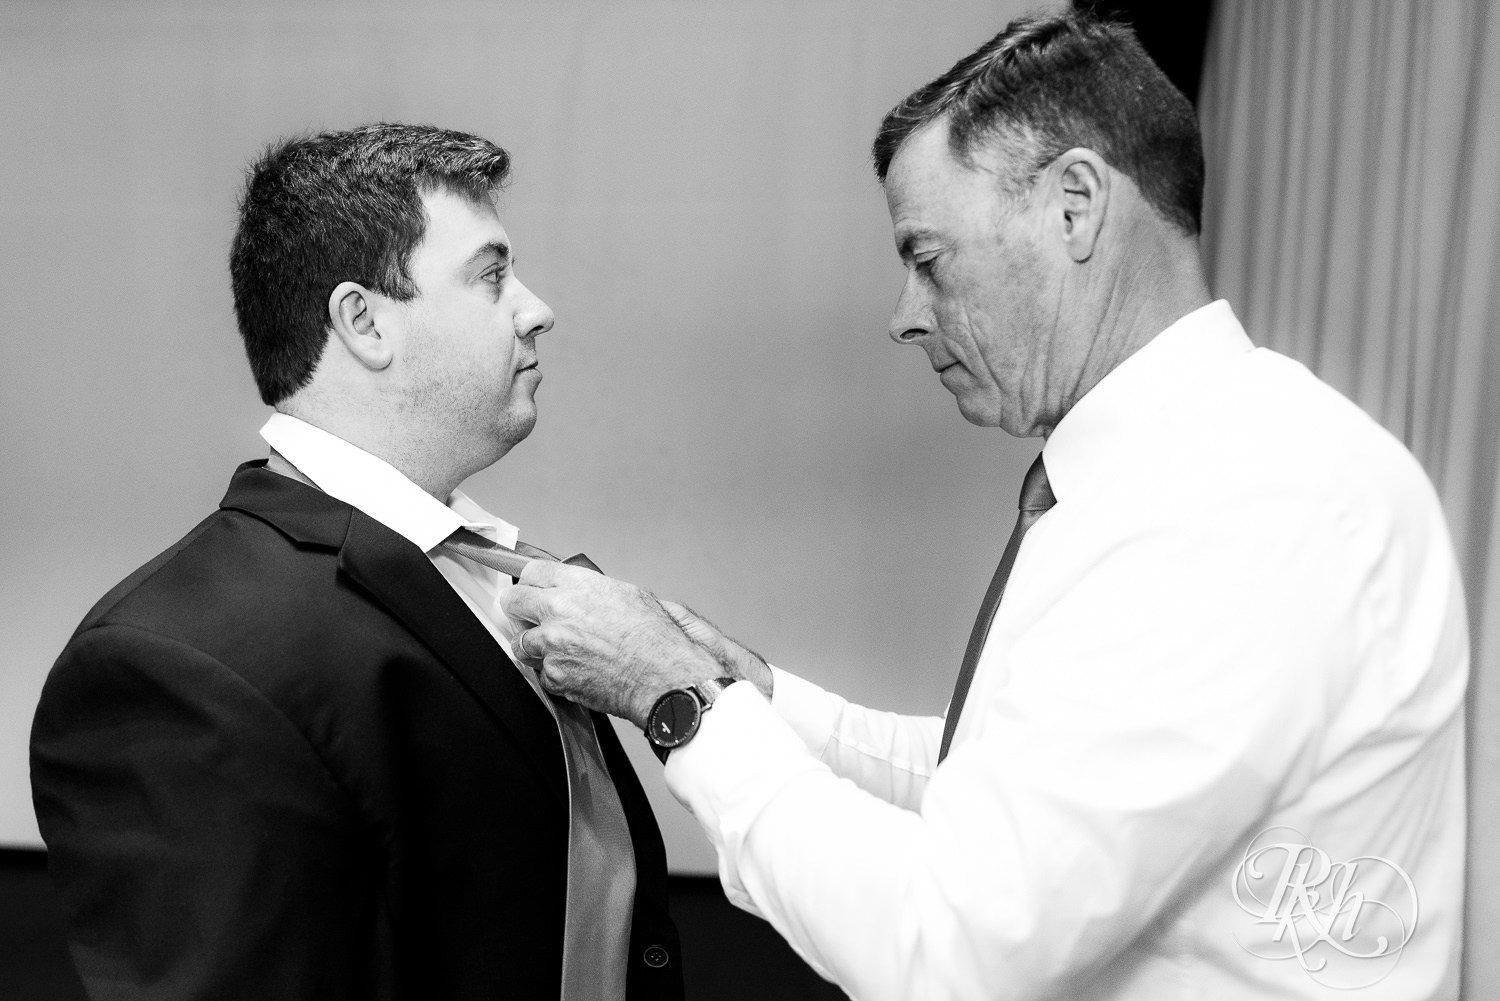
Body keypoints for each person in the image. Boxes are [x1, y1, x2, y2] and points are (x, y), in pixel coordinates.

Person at [501, 14, 1468, 1001]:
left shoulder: (1249, 500)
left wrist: (681, 702)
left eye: (930, 256)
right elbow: (1016, 788)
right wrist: (755, 693)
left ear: (1077, 205)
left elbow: (957, 946)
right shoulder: (1164, 473)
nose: (904, 314)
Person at [30, 123, 683, 1001]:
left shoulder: (499, 570)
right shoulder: (174, 661)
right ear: (363, 322)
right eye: (492, 276)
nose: (536, 308)